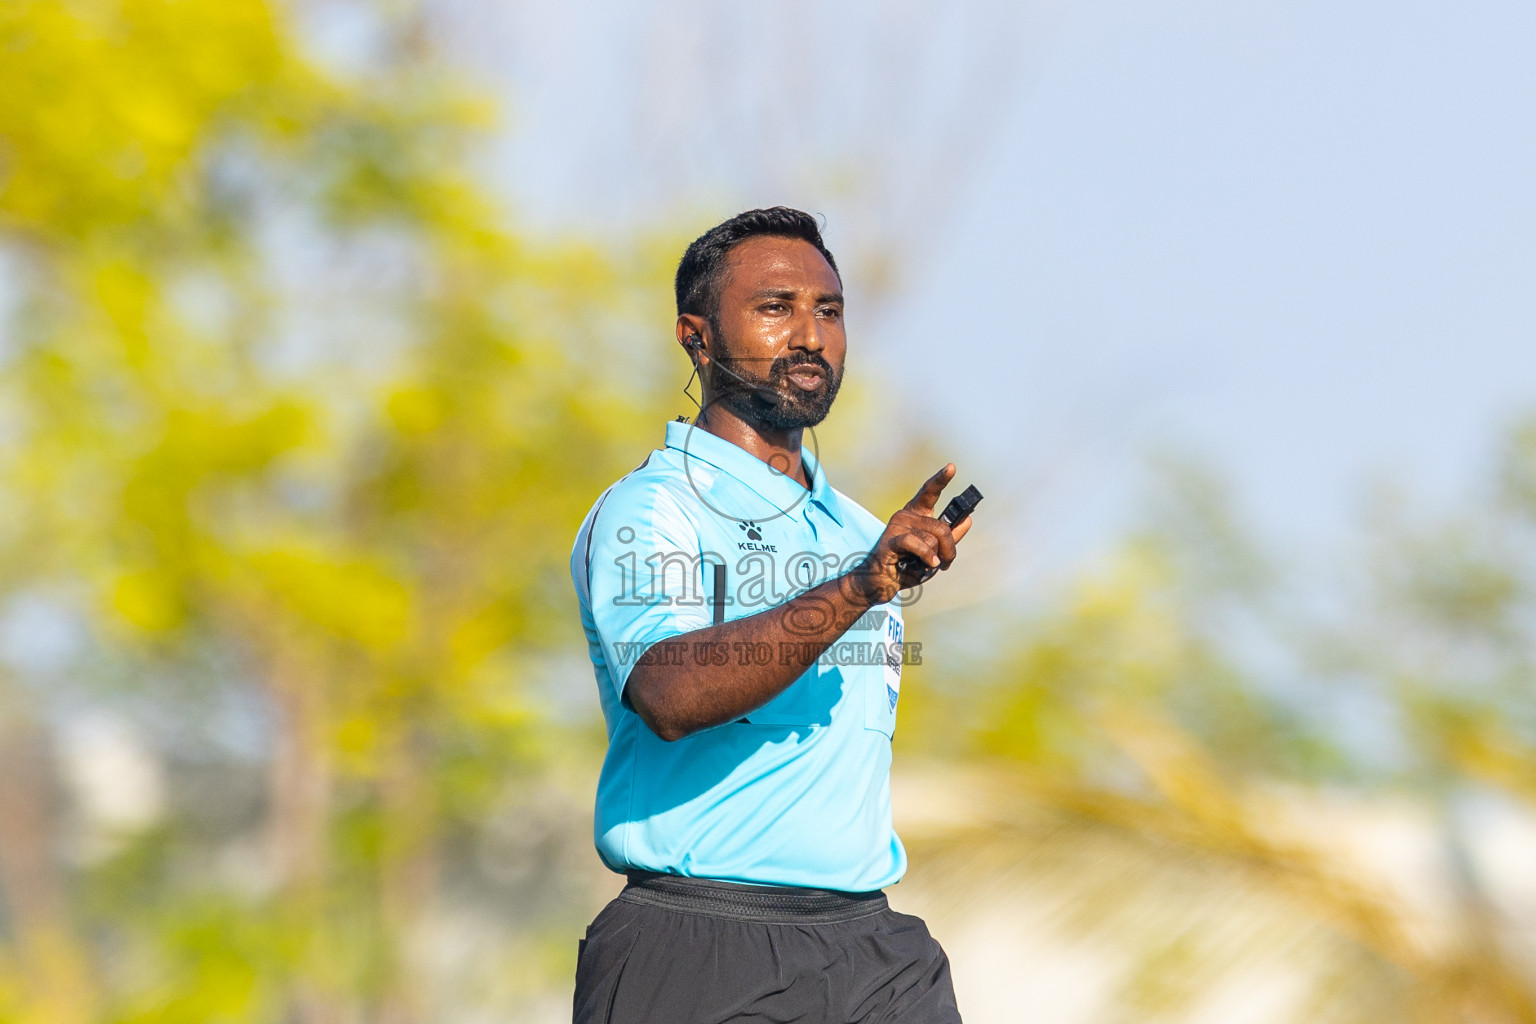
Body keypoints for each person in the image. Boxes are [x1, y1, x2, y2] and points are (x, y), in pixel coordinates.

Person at [569, 207, 971, 1023]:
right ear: (697, 338)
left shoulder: (862, 531)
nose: (811, 335)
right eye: (776, 307)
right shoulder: (653, 509)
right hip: (703, 943)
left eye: (830, 310)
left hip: (874, 951)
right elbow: (668, 696)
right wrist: (855, 590)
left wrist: (864, 575)